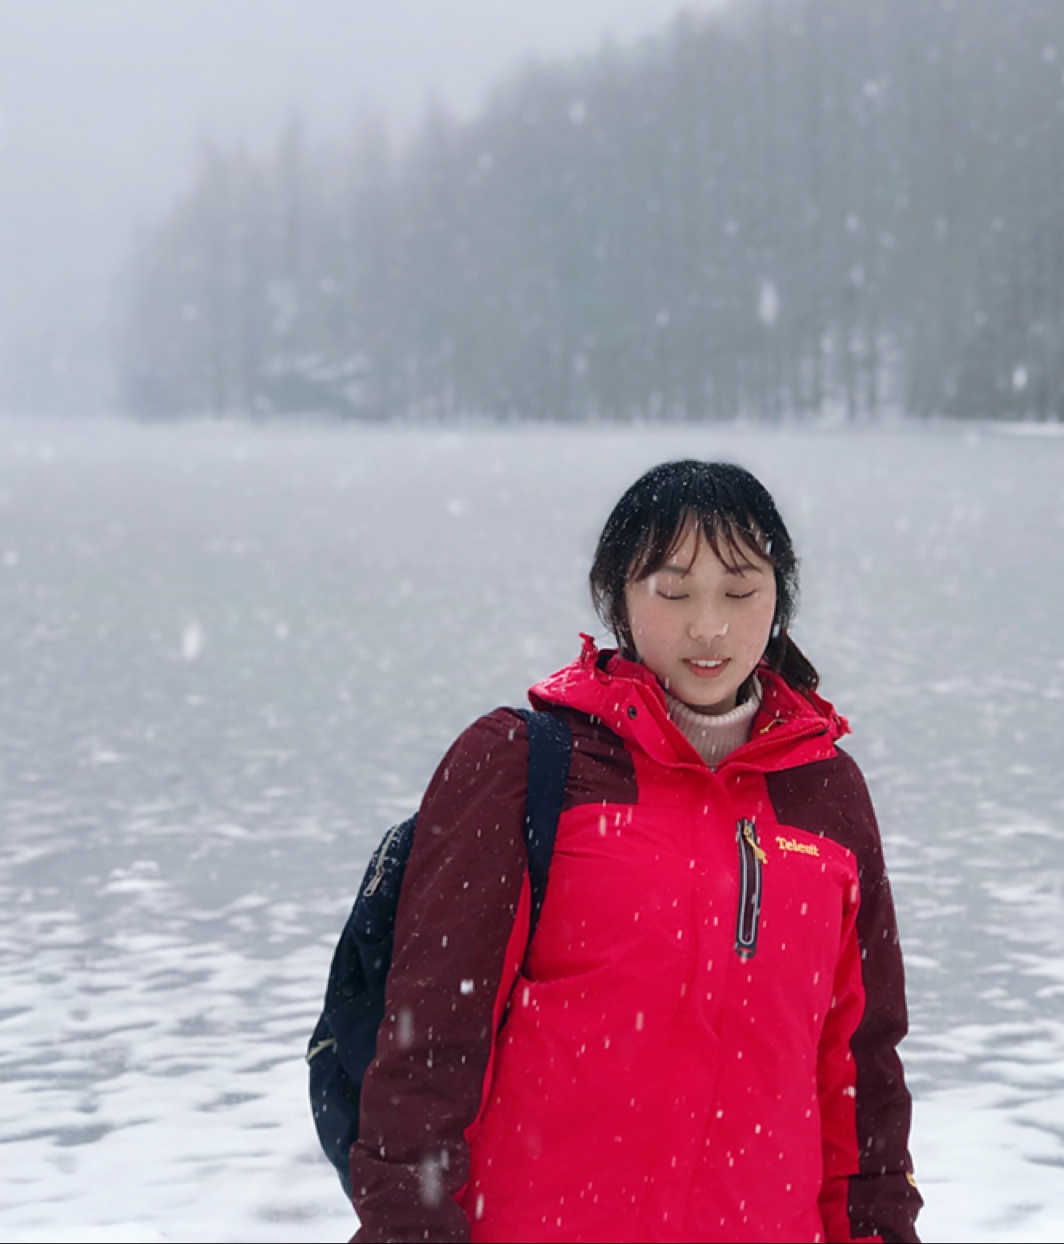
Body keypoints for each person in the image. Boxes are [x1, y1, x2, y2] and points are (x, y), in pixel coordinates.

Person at [350, 460, 921, 1243]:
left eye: (741, 591)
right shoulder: (524, 765)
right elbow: (428, 1052)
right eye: (674, 590)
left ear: (779, 601)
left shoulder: (826, 793)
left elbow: (862, 1072)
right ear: (617, 596)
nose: (709, 626)